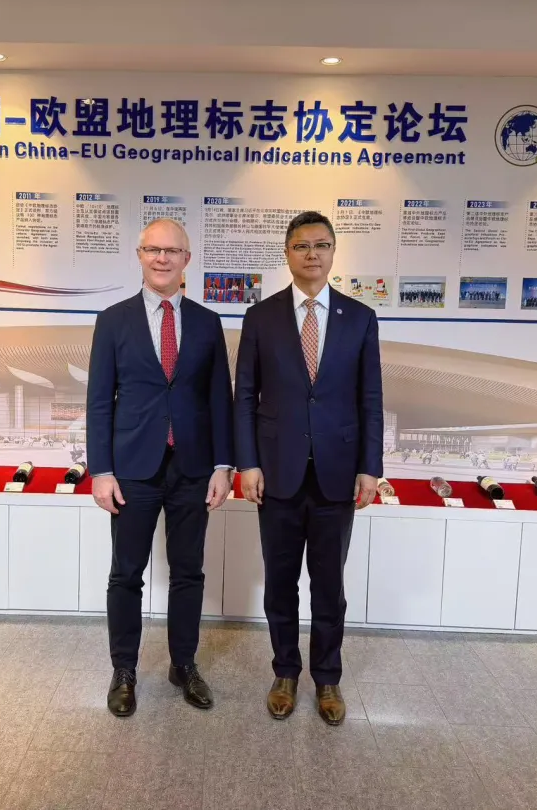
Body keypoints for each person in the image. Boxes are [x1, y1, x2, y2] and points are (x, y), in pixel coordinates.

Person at [235, 211, 383, 725]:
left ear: (334, 252)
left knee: (328, 586)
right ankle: (285, 671)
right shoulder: (261, 317)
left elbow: (370, 398)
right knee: (280, 583)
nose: (312, 254)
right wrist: (247, 463)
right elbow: (244, 396)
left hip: (338, 475)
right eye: (301, 246)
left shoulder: (360, 318)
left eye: (321, 245)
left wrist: (370, 467)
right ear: (287, 253)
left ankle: (327, 678)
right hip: (276, 472)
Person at [87, 218, 234, 718]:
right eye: (154, 249)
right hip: (132, 468)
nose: (163, 258)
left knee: (188, 572)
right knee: (126, 573)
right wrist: (101, 470)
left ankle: (183, 664)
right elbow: (99, 402)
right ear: (140, 255)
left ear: (187, 259)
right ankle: (124, 670)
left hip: (193, 467)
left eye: (172, 251)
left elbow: (219, 399)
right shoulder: (113, 320)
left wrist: (223, 465)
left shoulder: (207, 322)